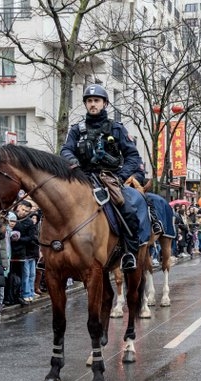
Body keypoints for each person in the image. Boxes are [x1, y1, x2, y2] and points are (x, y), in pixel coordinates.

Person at [60, 83, 143, 272]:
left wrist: (120, 176)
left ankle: (130, 253)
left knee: (128, 210)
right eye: (89, 101)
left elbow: (133, 156)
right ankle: (53, 251)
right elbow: (65, 150)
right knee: (57, 205)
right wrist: (73, 161)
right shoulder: (76, 130)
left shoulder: (116, 129)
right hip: (82, 177)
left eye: (96, 100)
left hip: (109, 178)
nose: (93, 104)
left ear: (104, 103)